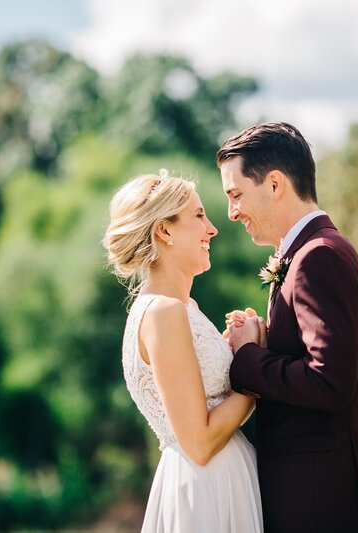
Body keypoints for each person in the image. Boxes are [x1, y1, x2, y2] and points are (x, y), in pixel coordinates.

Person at [218, 122, 358, 532]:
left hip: (320, 497)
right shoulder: (311, 253)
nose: (232, 212)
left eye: (236, 194)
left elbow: (330, 382)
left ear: (275, 184)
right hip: (318, 488)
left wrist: (249, 358)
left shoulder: (318, 257)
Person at [102, 170, 264, 532]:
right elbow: (200, 441)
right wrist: (254, 363)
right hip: (207, 487)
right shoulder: (163, 312)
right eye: (199, 215)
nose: (212, 229)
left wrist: (234, 347)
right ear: (165, 230)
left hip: (220, 478)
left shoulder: (180, 308)